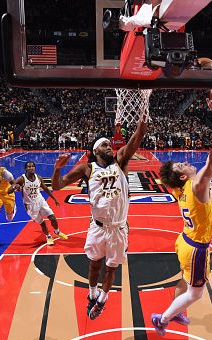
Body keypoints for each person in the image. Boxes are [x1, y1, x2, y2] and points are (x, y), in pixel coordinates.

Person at [51, 102, 149, 320]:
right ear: (96, 151)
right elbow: (57, 186)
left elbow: (139, 135)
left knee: (111, 267)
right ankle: (92, 295)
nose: (109, 147)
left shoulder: (121, 161)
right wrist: (57, 168)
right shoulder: (88, 168)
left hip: (118, 227)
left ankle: (102, 301)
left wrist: (144, 107)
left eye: (110, 145)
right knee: (95, 264)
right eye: (105, 145)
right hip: (97, 226)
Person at [151, 91, 212, 336]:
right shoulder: (196, 185)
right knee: (196, 293)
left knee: (187, 282)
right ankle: (162, 319)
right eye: (181, 166)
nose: (185, 162)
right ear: (184, 175)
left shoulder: (180, 189)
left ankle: (174, 311)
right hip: (195, 247)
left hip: (185, 242)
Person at [7, 161, 68, 246]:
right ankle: (48, 237)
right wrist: (14, 187)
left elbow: (45, 188)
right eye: (29, 166)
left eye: (32, 166)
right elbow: (8, 191)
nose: (31, 168)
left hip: (41, 201)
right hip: (30, 205)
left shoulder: (38, 177)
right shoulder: (21, 179)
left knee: (52, 217)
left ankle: (57, 231)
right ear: (26, 169)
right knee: (42, 223)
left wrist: (54, 198)